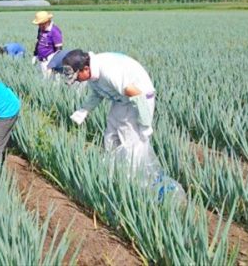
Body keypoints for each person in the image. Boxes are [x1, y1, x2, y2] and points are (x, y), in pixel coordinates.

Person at [61, 49, 185, 200]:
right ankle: (115, 175)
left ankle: (137, 184)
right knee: (111, 137)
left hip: (140, 99)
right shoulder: (92, 74)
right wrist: (83, 111)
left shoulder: (109, 72)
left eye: (77, 76)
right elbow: (96, 94)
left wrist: (145, 123)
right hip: (121, 100)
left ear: (85, 69)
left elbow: (137, 95)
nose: (78, 80)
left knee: (132, 144)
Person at [31, 11, 63, 76]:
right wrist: (35, 54)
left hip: (50, 61)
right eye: (38, 24)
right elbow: (39, 42)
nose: (39, 26)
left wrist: (54, 64)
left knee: (51, 83)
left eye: (40, 24)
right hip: (41, 61)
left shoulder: (55, 31)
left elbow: (59, 50)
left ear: (46, 22)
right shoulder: (40, 29)